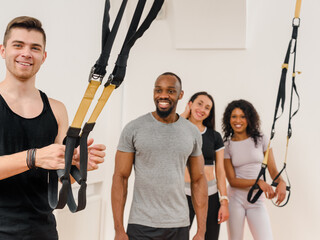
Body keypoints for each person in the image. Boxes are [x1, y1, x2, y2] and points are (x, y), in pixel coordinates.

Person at [0, 16, 106, 239]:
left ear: (44, 56)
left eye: (35, 48)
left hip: (43, 231)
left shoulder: (57, 110)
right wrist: (33, 157)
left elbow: (59, 177)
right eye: (18, 45)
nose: (26, 53)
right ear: (3, 50)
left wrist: (75, 164)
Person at [111, 72, 208, 240]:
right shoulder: (133, 129)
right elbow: (120, 178)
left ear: (180, 95)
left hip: (178, 224)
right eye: (158, 90)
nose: (163, 95)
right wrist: (118, 230)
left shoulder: (191, 132)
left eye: (170, 91)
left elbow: (198, 179)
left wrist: (201, 231)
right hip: (141, 224)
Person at [222, 99, 287, 240]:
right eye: (234, 116)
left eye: (242, 116)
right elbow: (232, 181)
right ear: (228, 119)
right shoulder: (227, 145)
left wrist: (282, 183)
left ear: (249, 118)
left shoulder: (262, 139)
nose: (237, 120)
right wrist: (259, 183)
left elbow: (273, 171)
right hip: (235, 200)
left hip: (256, 201)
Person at [181, 92, 229, 240]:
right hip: (182, 195)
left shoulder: (214, 136)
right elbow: (166, 130)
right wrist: (184, 114)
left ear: (210, 113)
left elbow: (220, 171)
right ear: (190, 104)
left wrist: (224, 201)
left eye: (207, 108)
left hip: (210, 195)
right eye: (199, 104)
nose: (202, 109)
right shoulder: (178, 129)